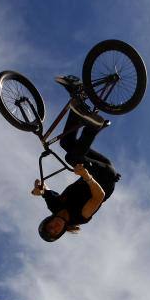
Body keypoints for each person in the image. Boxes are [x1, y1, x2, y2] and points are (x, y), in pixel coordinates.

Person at [32, 76, 121, 242]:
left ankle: (77, 98)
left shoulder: (54, 206)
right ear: (62, 232)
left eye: (50, 227)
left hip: (93, 166)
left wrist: (39, 189)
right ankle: (93, 127)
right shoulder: (80, 217)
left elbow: (44, 189)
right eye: (56, 232)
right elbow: (98, 197)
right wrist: (86, 176)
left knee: (66, 144)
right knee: (73, 159)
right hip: (105, 177)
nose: (55, 227)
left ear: (47, 221)